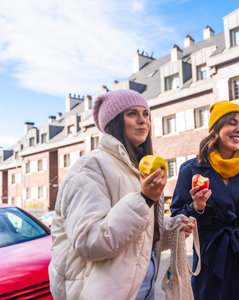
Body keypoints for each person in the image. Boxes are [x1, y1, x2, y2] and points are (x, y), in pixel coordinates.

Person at [48, 89, 194, 300]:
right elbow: (91, 241)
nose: (142, 120)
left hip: (143, 291)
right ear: (115, 122)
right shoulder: (89, 167)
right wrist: (144, 199)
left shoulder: (138, 168)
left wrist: (174, 229)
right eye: (132, 113)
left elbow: (136, 238)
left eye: (146, 114)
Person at [170, 100, 239, 300]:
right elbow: (176, 219)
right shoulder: (190, 170)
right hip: (211, 265)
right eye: (232, 123)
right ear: (216, 129)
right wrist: (196, 207)